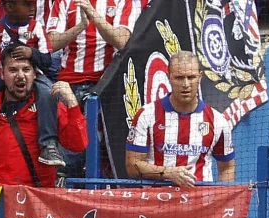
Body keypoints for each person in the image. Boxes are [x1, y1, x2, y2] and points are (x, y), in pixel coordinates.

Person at [0, 46, 87, 187]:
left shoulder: (49, 105)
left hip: (37, 198)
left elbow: (77, 145)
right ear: (2, 74)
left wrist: (72, 104)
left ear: (34, 74)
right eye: (13, 70)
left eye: (26, 70)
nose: (20, 76)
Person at [0, 0, 61, 174]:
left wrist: (32, 53)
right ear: (9, 6)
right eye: (27, 4)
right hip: (0, 77)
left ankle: (48, 145)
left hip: (34, 77)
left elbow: (47, 62)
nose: (32, 8)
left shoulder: (37, 28)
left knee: (48, 92)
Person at [47, 0, 134, 177]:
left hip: (103, 86)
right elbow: (52, 43)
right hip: (68, 82)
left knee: (96, 143)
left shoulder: (123, 2)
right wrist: (81, 26)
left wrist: (92, 13)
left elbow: (121, 40)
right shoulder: (63, 2)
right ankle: (65, 187)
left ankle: (92, 190)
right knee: (68, 146)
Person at [125, 51, 235, 187]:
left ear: (200, 77)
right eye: (179, 77)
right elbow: (132, 166)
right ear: (168, 77)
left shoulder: (218, 120)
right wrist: (167, 173)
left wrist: (221, 201)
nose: (186, 84)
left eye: (191, 77)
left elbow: (227, 168)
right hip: (157, 203)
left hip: (199, 204)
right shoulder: (147, 115)